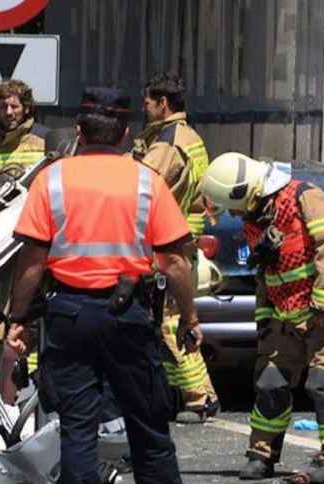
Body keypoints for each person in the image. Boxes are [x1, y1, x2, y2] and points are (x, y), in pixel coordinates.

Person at [7, 86, 214, 484]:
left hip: (69, 317)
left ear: (78, 131)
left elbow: (33, 260)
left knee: (77, 428)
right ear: (125, 133)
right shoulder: (146, 183)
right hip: (128, 318)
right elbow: (177, 263)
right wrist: (189, 317)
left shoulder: (51, 181)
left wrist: (17, 320)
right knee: (147, 424)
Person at [201, 152, 324, 484]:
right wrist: (264, 320)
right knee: (270, 382)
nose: (232, 213)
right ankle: (261, 455)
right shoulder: (256, 218)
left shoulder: (305, 197)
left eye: (232, 206)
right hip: (283, 313)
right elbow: (266, 274)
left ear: (245, 192)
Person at [132, 72, 219, 419]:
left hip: (169, 242)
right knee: (167, 319)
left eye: (148, 102)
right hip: (182, 240)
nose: (144, 108)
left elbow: (140, 184)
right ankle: (187, 395)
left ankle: (199, 397)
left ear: (162, 104)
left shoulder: (168, 142)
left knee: (169, 321)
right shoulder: (189, 136)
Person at [0, 79, 51, 169]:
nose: (9, 112)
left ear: (26, 108)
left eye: (14, 107)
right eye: (4, 107)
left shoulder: (46, 139)